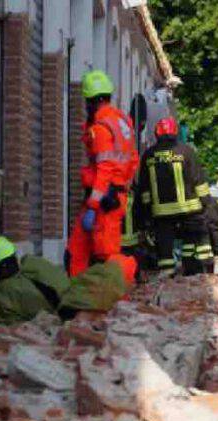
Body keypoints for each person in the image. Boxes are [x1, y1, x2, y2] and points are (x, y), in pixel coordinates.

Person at [67, 70, 140, 278]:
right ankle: (77, 297)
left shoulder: (100, 127)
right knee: (77, 249)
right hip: (111, 195)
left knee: (107, 254)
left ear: (91, 101)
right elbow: (133, 159)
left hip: (103, 199)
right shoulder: (121, 122)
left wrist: (93, 204)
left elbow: (105, 167)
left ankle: (121, 295)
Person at [0, 237, 132, 326]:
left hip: (56, 324)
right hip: (74, 306)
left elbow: (9, 329)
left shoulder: (2, 294)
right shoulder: (34, 262)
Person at [136, 117, 214, 276]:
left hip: (161, 212)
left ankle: (167, 273)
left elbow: (144, 187)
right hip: (189, 209)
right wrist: (206, 203)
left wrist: (146, 213)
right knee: (190, 241)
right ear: (175, 132)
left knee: (164, 244)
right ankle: (192, 271)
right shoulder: (186, 151)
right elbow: (198, 179)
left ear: (157, 133)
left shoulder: (149, 155)